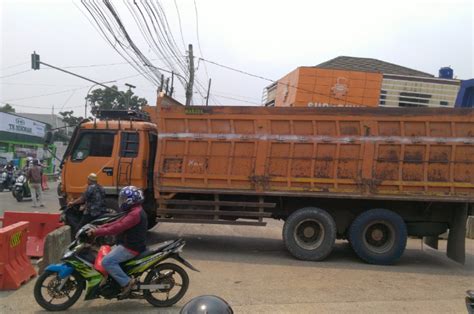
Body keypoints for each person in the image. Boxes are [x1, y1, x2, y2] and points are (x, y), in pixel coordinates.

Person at [86, 186, 148, 298]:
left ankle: (127, 282)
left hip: (131, 248)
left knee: (107, 262)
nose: (122, 201)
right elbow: (117, 222)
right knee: (105, 254)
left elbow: (117, 228)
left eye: (124, 199)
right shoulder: (134, 210)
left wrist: (97, 232)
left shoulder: (134, 214)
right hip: (127, 244)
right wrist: (100, 227)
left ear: (131, 200)